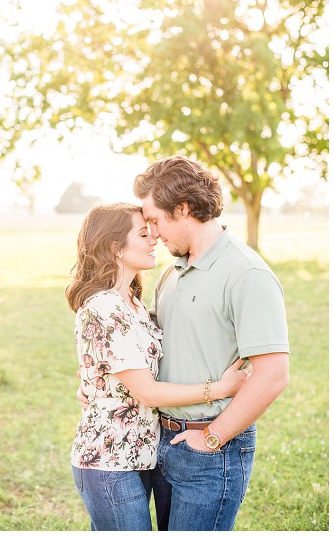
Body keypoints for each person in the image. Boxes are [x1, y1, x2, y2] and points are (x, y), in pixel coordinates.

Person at [66, 203, 251, 531]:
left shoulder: (133, 304)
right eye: (142, 233)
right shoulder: (103, 308)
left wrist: (92, 383)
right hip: (108, 460)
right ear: (114, 246)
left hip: (143, 455)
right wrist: (221, 388)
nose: (154, 238)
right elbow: (147, 392)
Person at [133, 156, 290, 530]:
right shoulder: (172, 271)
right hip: (161, 441)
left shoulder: (247, 273)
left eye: (154, 220)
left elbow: (273, 375)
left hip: (210, 449)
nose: (151, 233)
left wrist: (212, 438)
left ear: (183, 208)